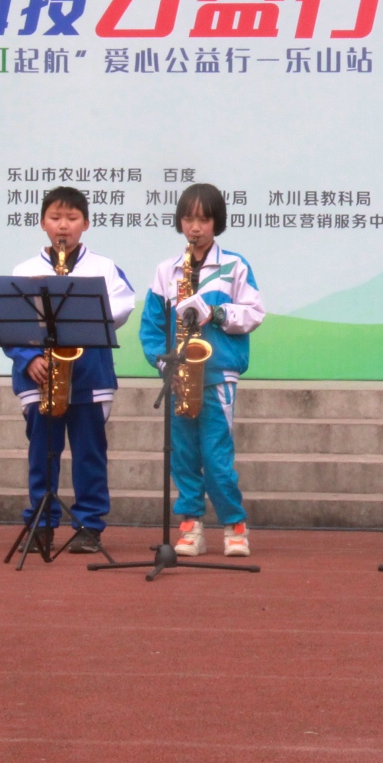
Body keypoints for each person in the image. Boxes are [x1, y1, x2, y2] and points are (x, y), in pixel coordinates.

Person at [6, 186, 136, 555]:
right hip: (39, 376)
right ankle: (42, 524)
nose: (63, 226)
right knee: (41, 456)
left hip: (90, 376)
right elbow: (7, 325)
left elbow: (123, 307)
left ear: (86, 224)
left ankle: (89, 526)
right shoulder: (24, 271)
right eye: (55, 218)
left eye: (72, 218)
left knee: (89, 455)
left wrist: (83, 314)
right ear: (42, 223)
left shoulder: (104, 268)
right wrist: (28, 357)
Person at [139, 183, 265, 557]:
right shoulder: (167, 271)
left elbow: (255, 313)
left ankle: (234, 524)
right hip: (179, 377)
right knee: (183, 455)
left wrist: (218, 313)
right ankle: (191, 525)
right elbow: (151, 325)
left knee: (215, 455)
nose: (195, 227)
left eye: (204, 219)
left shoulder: (234, 266)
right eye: (189, 219)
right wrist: (164, 362)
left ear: (216, 222)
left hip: (218, 373)